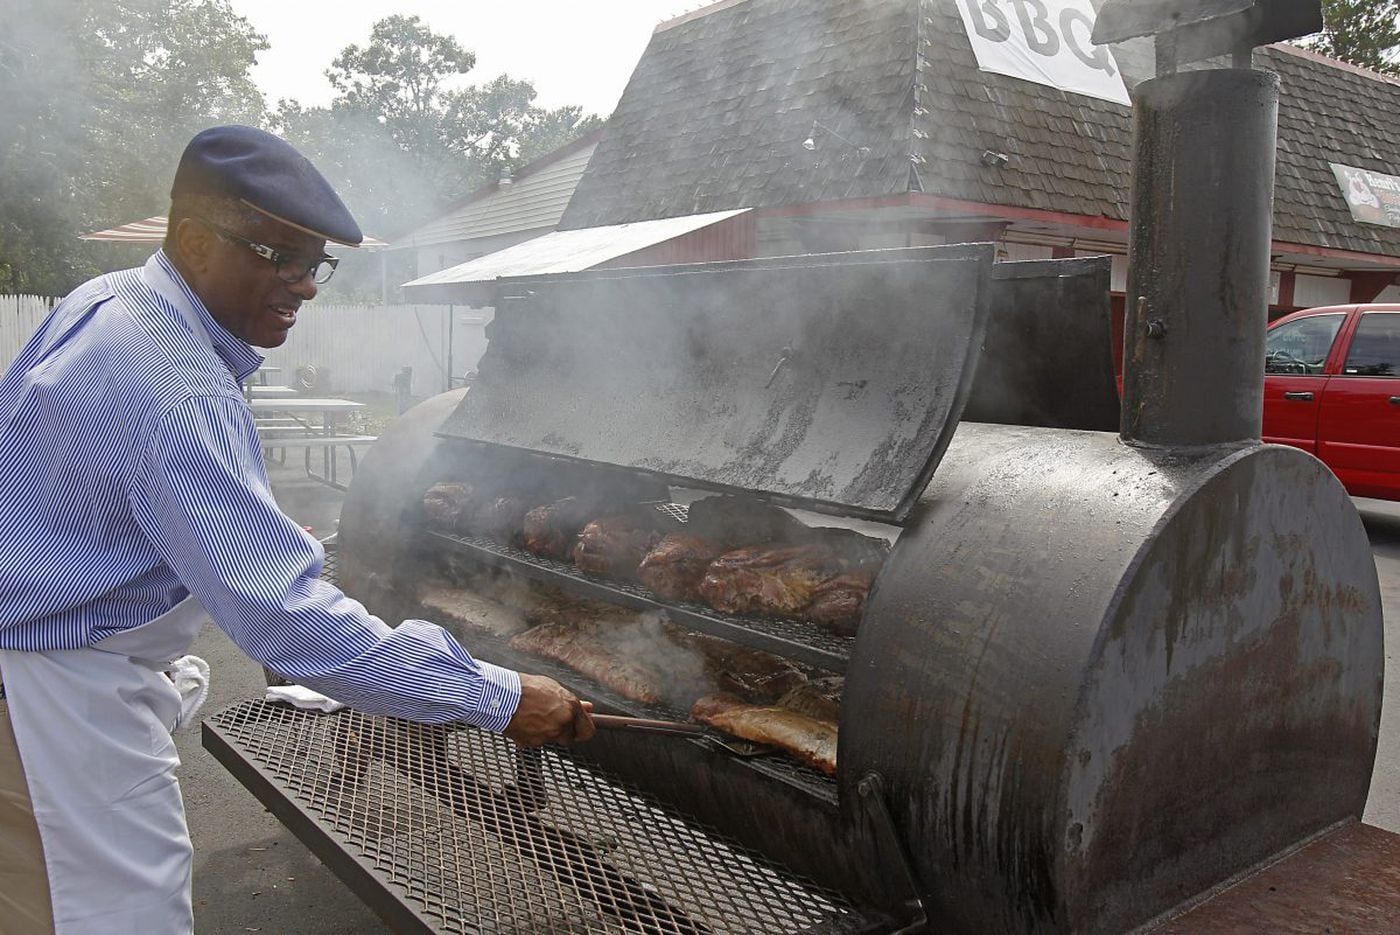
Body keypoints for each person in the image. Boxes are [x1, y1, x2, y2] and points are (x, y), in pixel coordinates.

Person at [0, 125, 595, 935]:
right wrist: (494, 694)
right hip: (56, 704)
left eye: (312, 262)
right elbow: (282, 619)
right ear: (191, 240)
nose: (304, 285)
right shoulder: (177, 386)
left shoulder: (107, 301)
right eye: (275, 254)